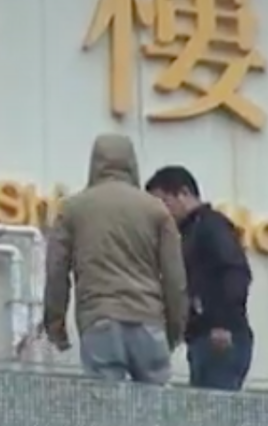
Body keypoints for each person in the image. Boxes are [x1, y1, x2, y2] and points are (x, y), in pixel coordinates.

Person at [43, 133, 188, 385]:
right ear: (132, 163)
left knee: (107, 412)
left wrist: (55, 324)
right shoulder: (156, 209)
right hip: (148, 320)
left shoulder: (73, 209)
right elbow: (175, 277)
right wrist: (174, 329)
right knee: (156, 413)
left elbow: (56, 270)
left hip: (99, 318)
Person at [145, 165, 253, 391]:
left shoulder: (211, 225)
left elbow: (235, 271)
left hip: (221, 337)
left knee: (214, 409)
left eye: (164, 202)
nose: (161, 212)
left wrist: (223, 323)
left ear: (183, 193)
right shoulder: (188, 232)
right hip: (202, 336)